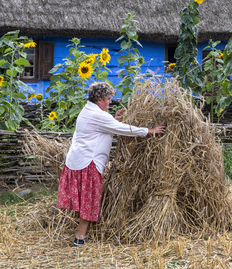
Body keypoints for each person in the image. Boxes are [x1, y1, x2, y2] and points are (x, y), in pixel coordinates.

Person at [56, 82, 166, 246]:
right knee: (89, 200)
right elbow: (122, 129)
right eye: (108, 99)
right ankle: (79, 237)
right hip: (88, 163)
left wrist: (113, 119)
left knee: (87, 199)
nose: (110, 102)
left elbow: (102, 127)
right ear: (99, 99)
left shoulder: (88, 110)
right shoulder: (98, 115)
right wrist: (149, 131)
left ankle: (82, 235)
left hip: (78, 160)